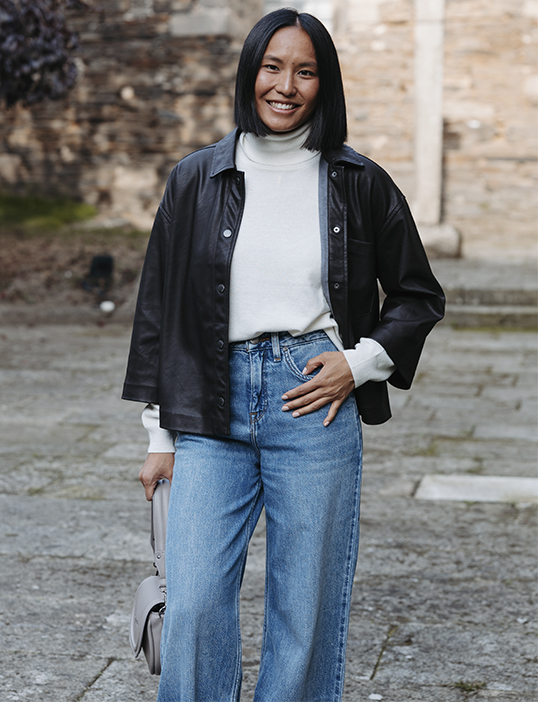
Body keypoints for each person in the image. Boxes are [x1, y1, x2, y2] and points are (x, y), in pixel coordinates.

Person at [122, 8, 445, 702]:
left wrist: (360, 362)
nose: (286, 86)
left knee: (305, 609)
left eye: (305, 71)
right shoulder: (195, 178)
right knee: (195, 603)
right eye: (272, 67)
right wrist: (158, 437)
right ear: (250, 73)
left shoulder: (358, 180)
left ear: (325, 85)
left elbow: (418, 295)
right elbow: (160, 313)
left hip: (313, 400)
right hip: (210, 402)